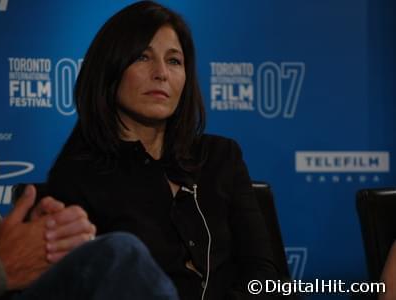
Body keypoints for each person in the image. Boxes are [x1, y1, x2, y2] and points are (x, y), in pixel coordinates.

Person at [47, 1, 279, 299]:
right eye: (143, 57)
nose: (161, 73)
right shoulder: (76, 177)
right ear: (110, 68)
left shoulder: (222, 157)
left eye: (174, 61)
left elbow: (262, 274)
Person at [0, 135, 179, 300]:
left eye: (174, 62)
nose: (161, 74)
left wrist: (36, 240)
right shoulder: (78, 167)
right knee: (119, 254)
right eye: (141, 60)